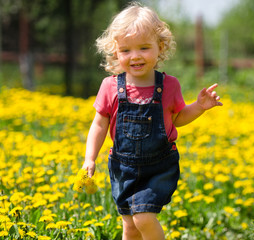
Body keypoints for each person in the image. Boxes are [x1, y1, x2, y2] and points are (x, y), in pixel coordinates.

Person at [82, 2, 223, 240]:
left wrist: (198, 107)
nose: (135, 56)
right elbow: (99, 124)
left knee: (144, 217)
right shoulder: (109, 87)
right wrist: (90, 158)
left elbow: (177, 119)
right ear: (115, 51)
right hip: (123, 167)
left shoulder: (169, 85)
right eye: (126, 50)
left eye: (144, 48)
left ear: (160, 46)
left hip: (158, 166)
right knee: (130, 226)